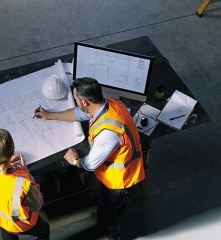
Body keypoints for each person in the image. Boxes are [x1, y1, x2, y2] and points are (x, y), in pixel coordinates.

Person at [34, 77, 145, 239]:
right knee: (114, 206)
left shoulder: (108, 133)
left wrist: (74, 160)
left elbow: (90, 164)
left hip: (119, 181)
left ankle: (112, 235)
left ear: (85, 102)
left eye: (76, 99)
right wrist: (49, 115)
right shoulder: (109, 105)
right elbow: (78, 114)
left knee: (107, 210)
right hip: (126, 171)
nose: (76, 102)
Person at [0, 129, 50, 240]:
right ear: (12, 151)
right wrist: (25, 172)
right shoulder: (22, 183)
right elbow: (38, 205)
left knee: (9, 235)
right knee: (44, 230)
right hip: (20, 224)